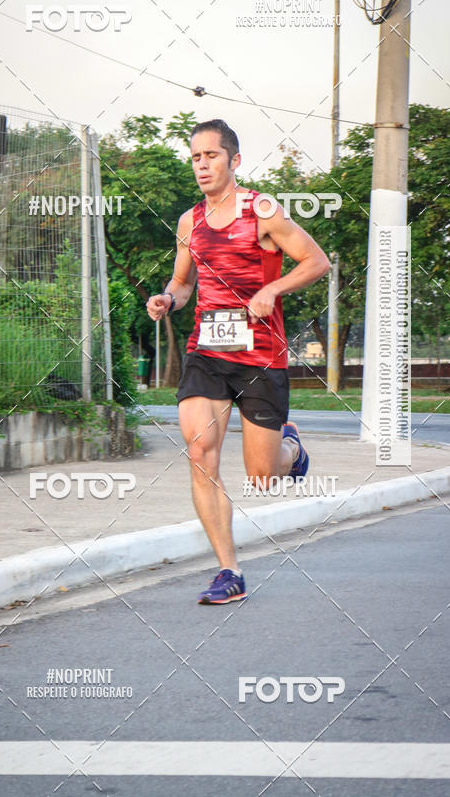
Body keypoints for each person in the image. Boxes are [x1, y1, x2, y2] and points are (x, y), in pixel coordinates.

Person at [146, 119, 330, 605]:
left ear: (234, 160)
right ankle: (229, 571)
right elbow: (183, 282)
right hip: (207, 352)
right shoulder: (191, 222)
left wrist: (272, 288)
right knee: (200, 452)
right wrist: (167, 298)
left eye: (211, 156)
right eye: (196, 158)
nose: (202, 165)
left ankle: (292, 450)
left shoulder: (263, 210)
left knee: (262, 476)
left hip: (261, 359)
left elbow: (317, 261)